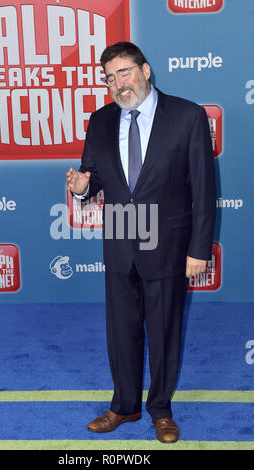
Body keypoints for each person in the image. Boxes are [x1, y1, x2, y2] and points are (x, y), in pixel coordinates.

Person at [66, 42, 215, 443]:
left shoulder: (187, 116)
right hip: (119, 235)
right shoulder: (99, 121)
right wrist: (83, 187)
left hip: (167, 240)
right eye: (110, 78)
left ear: (146, 70)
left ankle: (160, 410)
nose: (118, 84)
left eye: (124, 72)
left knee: (164, 330)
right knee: (121, 330)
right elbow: (94, 176)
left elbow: (203, 188)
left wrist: (199, 249)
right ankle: (125, 405)